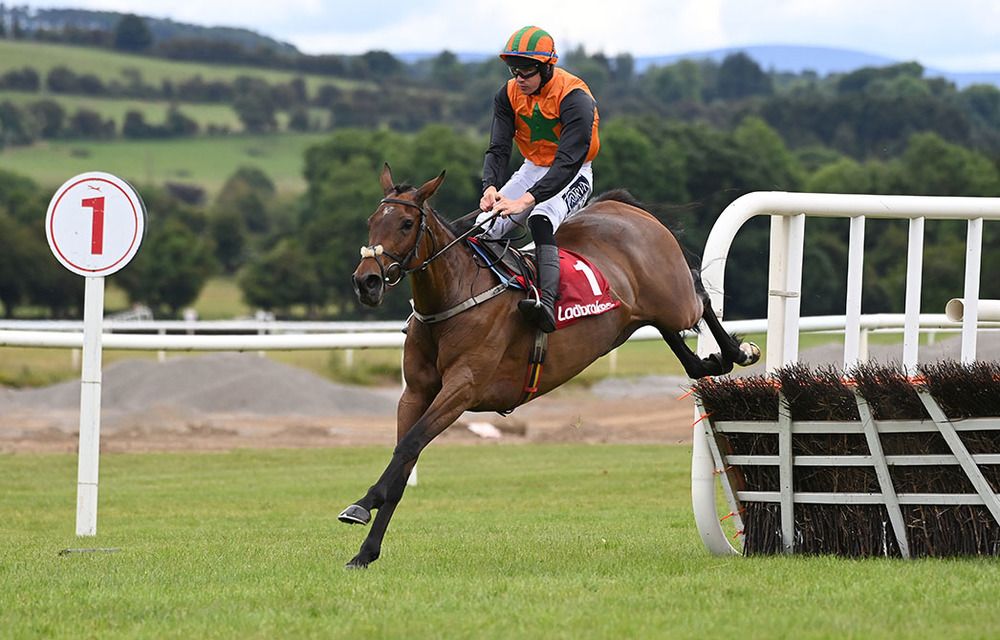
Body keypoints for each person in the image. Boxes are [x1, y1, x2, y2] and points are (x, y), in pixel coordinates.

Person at [477, 25, 601, 333]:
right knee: (484, 226)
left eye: (526, 71)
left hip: (574, 171)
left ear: (547, 68)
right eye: (513, 70)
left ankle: (547, 304)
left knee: (540, 218)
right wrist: (490, 186)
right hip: (533, 166)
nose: (519, 78)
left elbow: (567, 163)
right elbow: (498, 148)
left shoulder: (575, 98)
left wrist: (525, 201)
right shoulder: (507, 95)